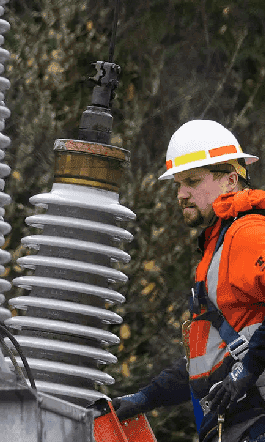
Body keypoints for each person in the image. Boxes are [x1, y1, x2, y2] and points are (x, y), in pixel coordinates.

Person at [110, 119, 265, 442]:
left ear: (231, 180)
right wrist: (147, 398)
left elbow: (239, 361)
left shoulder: (247, 234)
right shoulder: (216, 248)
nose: (181, 194)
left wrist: (247, 369)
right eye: (178, 184)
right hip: (238, 426)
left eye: (192, 181)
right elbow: (208, 362)